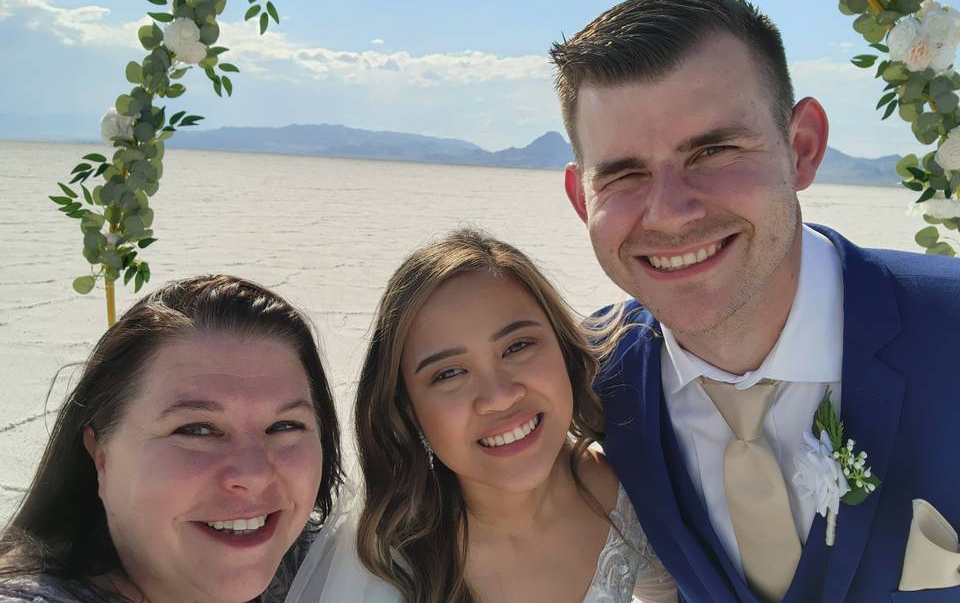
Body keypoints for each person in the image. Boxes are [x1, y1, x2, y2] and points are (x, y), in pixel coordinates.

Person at [551, 0, 960, 603]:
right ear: (584, 201)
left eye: (713, 151)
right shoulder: (571, 382)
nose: (668, 214)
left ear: (802, 148)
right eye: (624, 174)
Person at [287, 228, 675, 603]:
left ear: (562, 348)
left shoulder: (622, 491)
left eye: (517, 346)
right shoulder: (382, 566)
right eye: (449, 373)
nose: (499, 397)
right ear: (407, 412)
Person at [0, 275, 343, 603]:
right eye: (196, 429)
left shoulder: (341, 565)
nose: (253, 475)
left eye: (284, 426)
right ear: (100, 455)